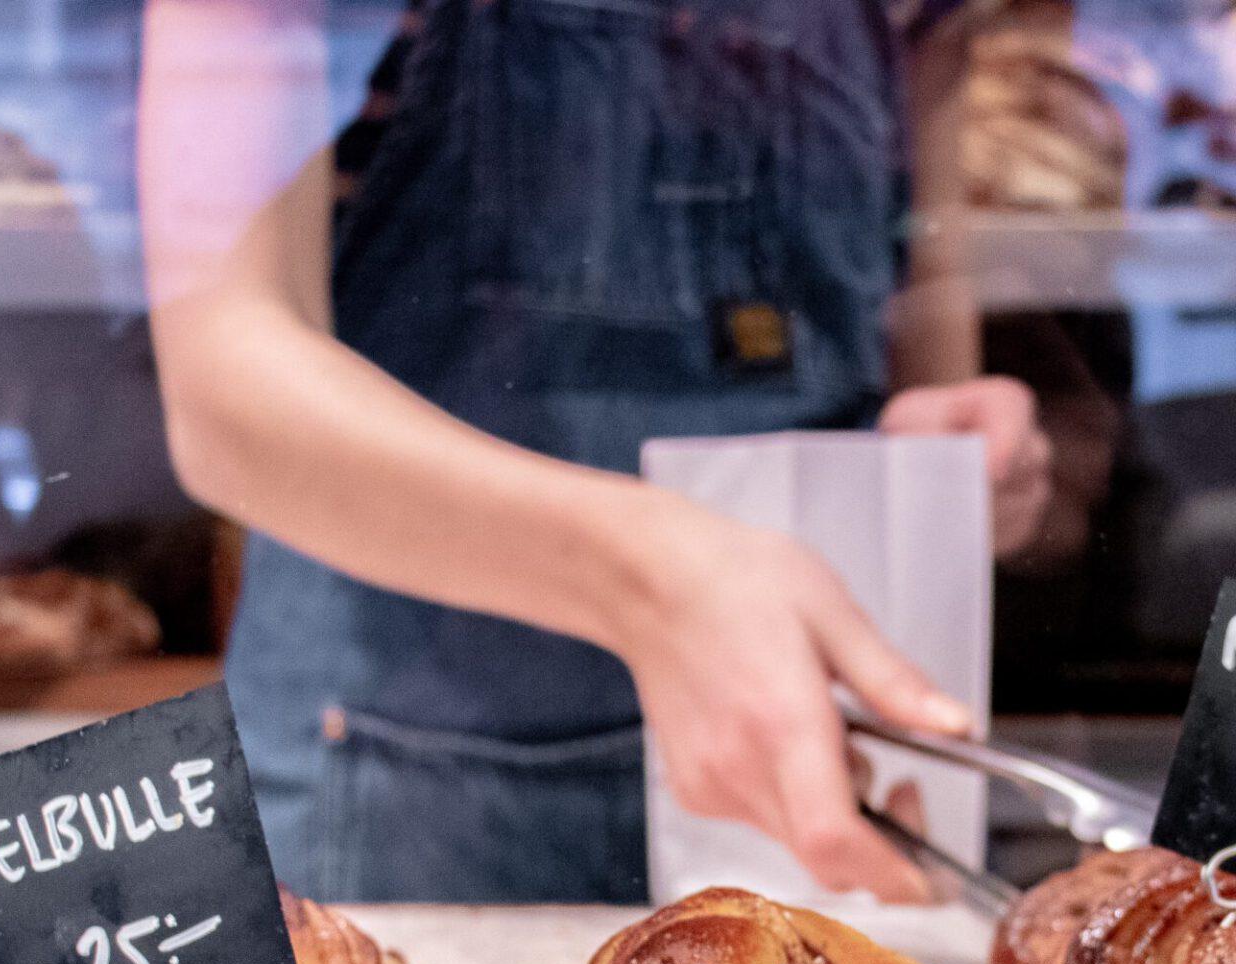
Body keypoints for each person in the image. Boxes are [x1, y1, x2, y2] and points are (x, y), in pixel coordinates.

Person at [140, 0, 1052, 904]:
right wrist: (648, 582)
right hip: (401, 779)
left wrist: (946, 469)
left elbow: (921, 303)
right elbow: (225, 399)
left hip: (806, 769)